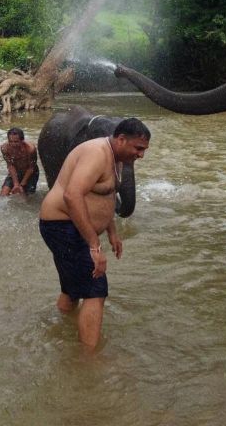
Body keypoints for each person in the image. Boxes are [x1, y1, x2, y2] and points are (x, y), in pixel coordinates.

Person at [39, 117, 151, 349]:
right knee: (95, 290)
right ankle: (89, 360)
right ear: (121, 139)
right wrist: (94, 245)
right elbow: (72, 195)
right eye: (138, 148)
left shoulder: (115, 157)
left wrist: (111, 231)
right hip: (63, 226)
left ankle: (60, 329)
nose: (141, 155)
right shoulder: (97, 153)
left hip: (69, 227)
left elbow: (104, 196)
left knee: (72, 289)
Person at [0, 127, 39, 197]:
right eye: (10, 142)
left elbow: (31, 168)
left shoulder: (30, 149)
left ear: (22, 140)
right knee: (3, 195)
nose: (13, 144)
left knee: (26, 198)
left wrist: (22, 184)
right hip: (16, 172)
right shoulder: (4, 148)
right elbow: (10, 165)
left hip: (31, 173)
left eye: (16, 142)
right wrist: (16, 183)